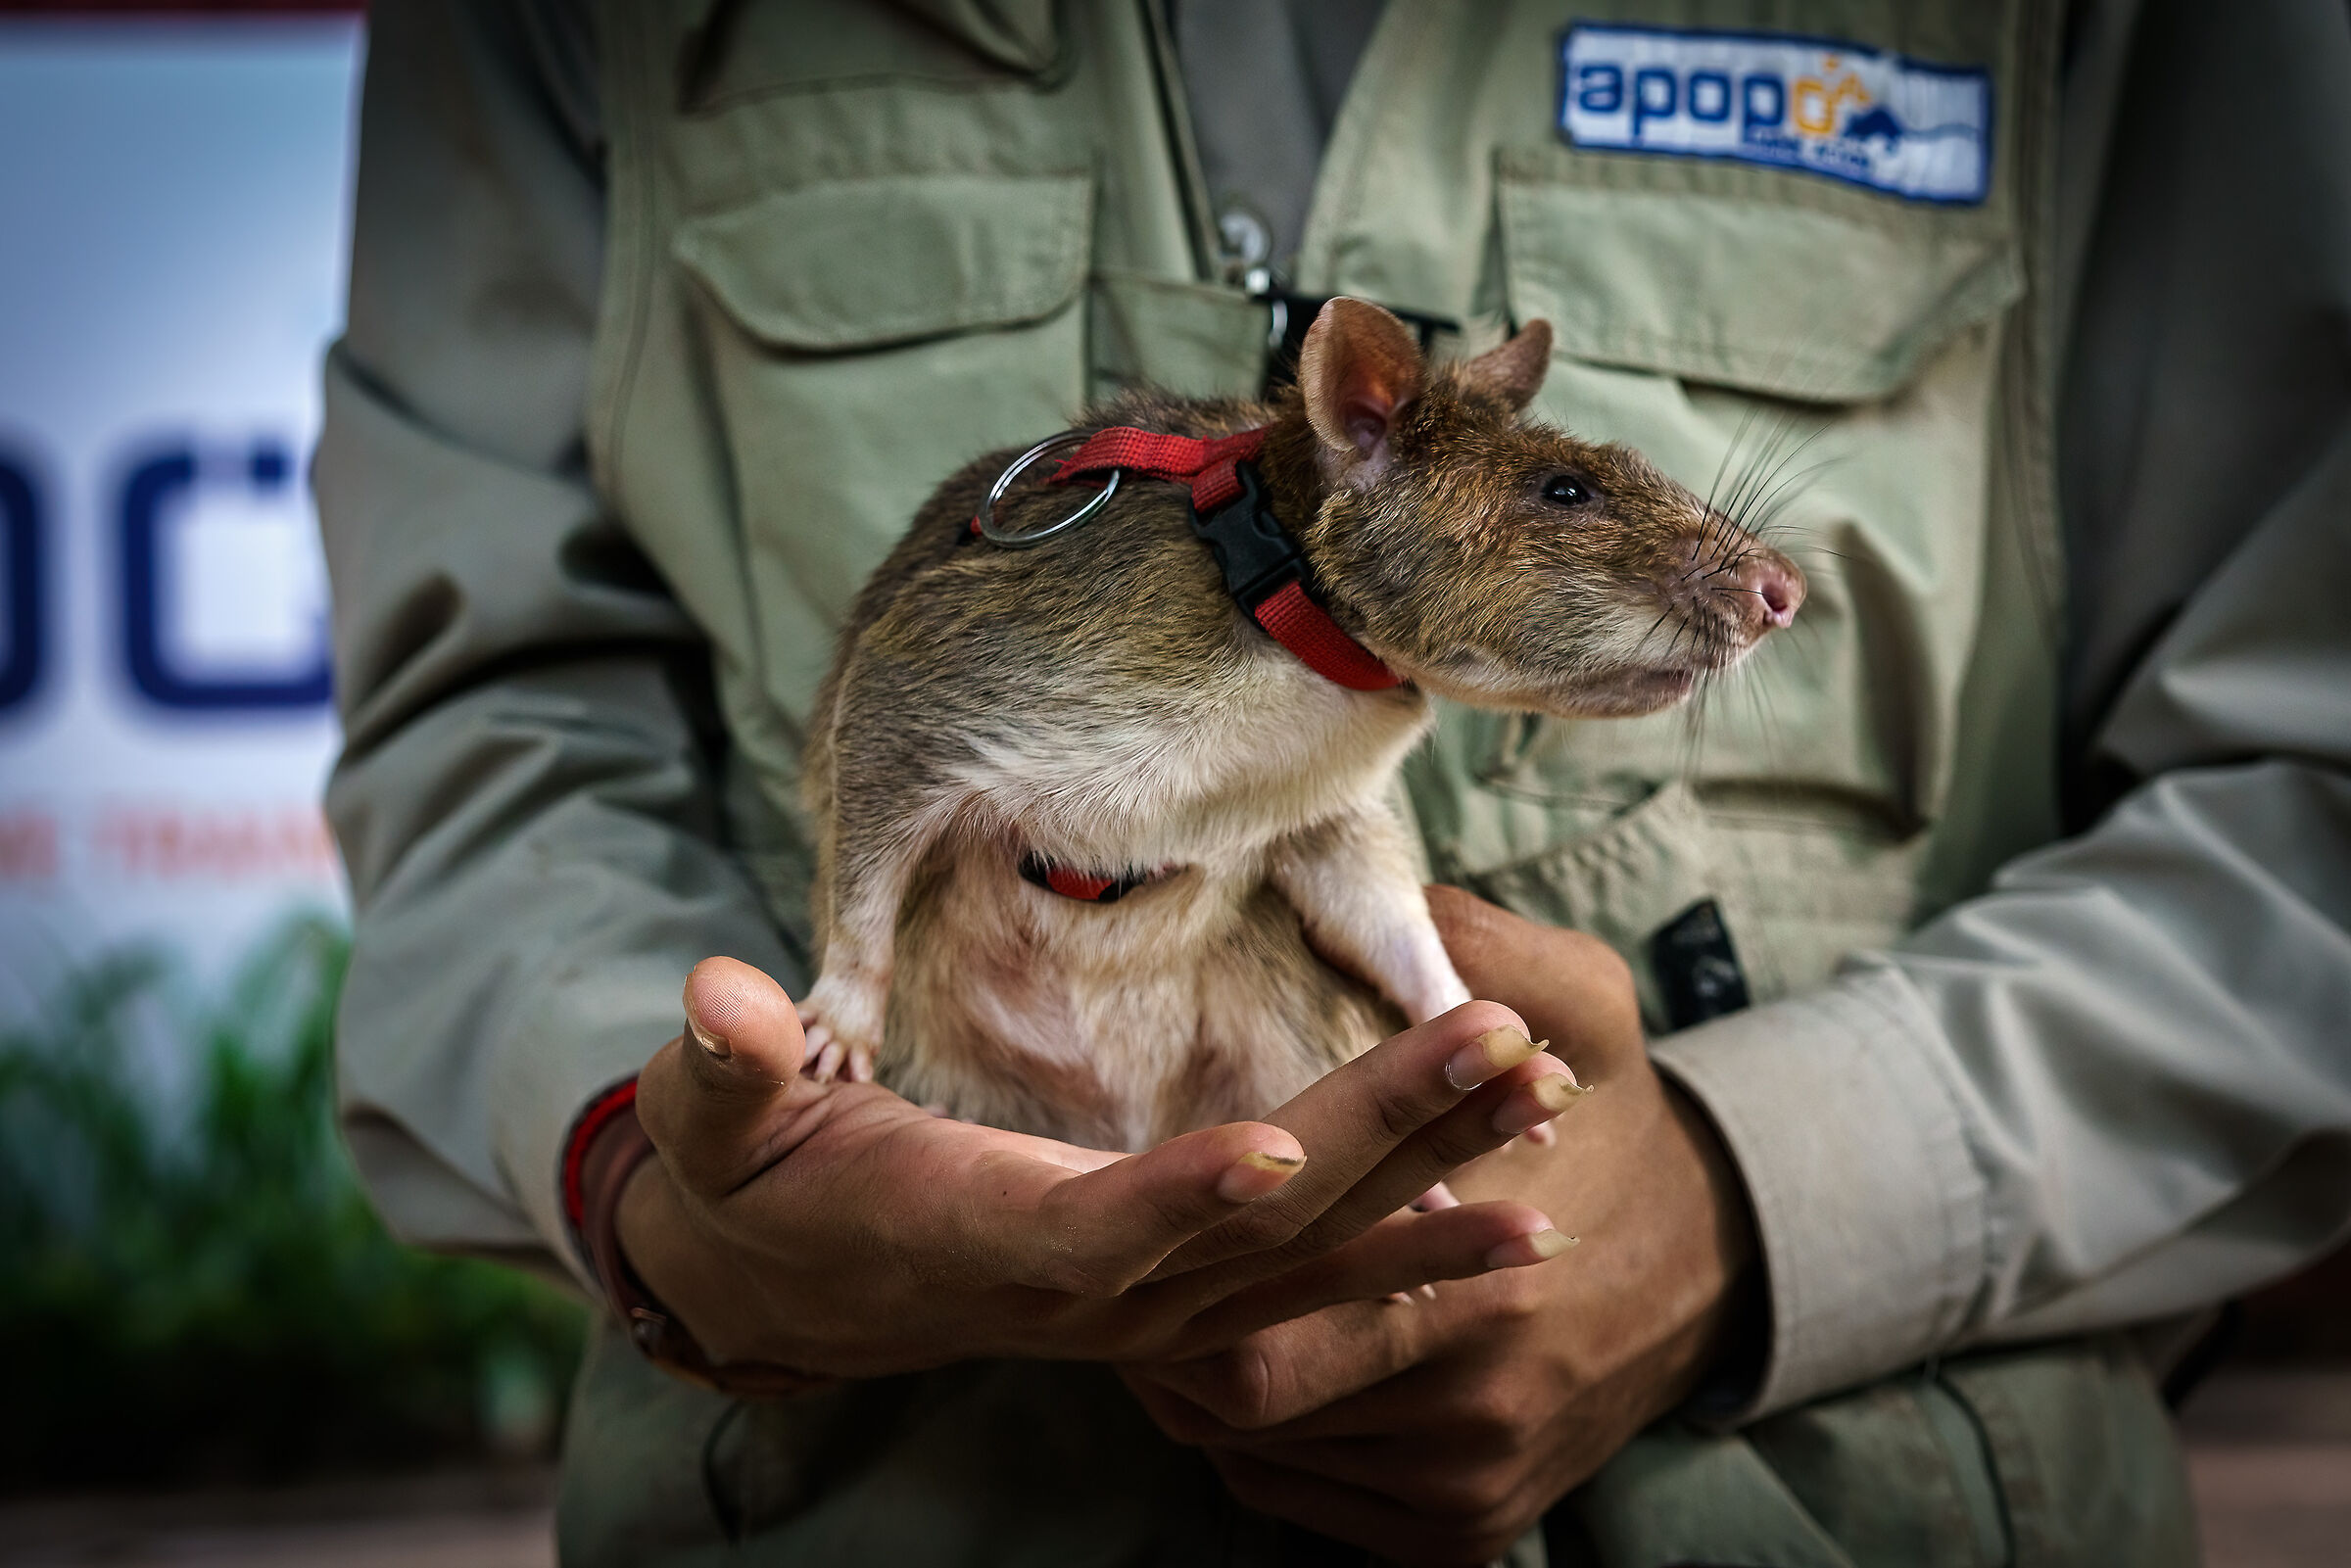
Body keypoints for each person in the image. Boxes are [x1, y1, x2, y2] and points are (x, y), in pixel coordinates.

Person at [318, 1, 2351, 1563]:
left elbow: (2308, 803)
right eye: (1561, 499)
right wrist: (674, 1181)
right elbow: (502, 718)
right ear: (1360, 424)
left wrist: (1751, 1205)